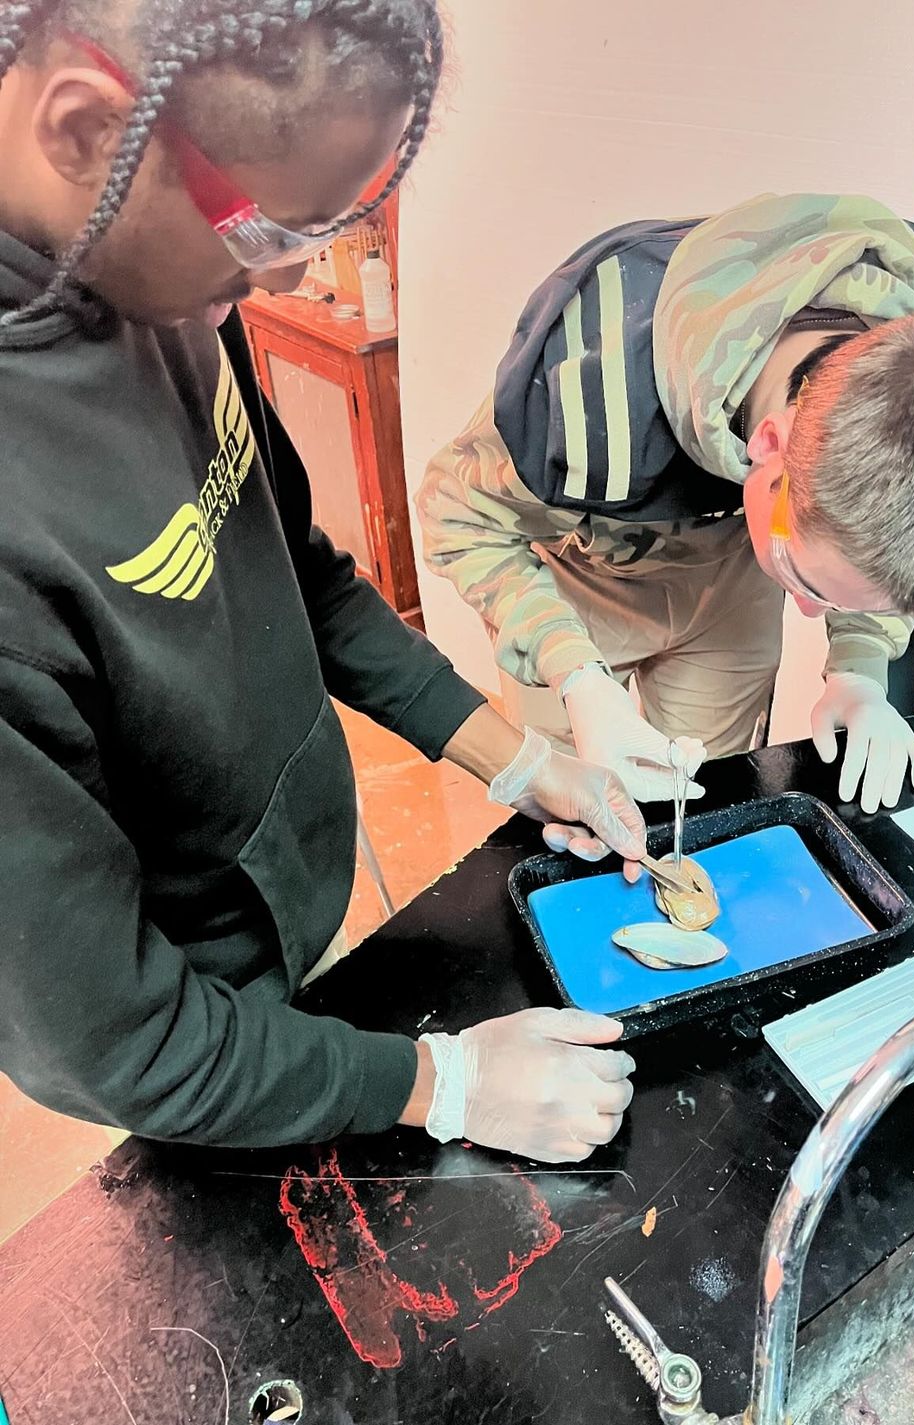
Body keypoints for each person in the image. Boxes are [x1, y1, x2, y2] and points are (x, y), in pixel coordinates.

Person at [0, 0, 649, 1165]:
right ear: (86, 128)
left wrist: (517, 753)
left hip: (279, 902)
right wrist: (445, 1086)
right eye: (272, 227)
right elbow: (119, 1041)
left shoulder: (161, 280)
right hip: (189, 1032)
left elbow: (292, 564)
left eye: (342, 221)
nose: (299, 269)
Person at [418, 194, 914, 814]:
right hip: (583, 577)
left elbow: (876, 556)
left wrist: (859, 667)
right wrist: (574, 674)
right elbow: (459, 519)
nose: (804, 610)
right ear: (768, 445)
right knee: (582, 809)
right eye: (806, 582)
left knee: (708, 802)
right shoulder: (590, 386)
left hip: (733, 568)